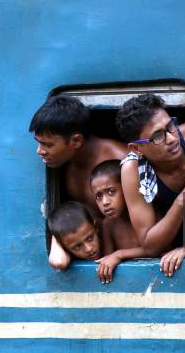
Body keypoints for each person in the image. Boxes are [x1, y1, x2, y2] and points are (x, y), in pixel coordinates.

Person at [116, 94, 185, 277]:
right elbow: (150, 244)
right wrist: (182, 201)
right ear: (137, 149)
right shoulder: (133, 170)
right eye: (157, 136)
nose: (172, 138)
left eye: (170, 126)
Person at [29, 95, 127, 270]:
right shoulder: (66, 169)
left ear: (76, 140)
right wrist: (57, 236)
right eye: (39, 143)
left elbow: (173, 203)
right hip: (103, 266)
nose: (40, 151)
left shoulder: (124, 162)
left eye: (48, 145)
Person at [89, 160, 147, 283]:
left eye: (111, 191)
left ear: (126, 188)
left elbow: (157, 248)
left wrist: (119, 255)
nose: (105, 202)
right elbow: (107, 261)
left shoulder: (149, 213)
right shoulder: (108, 225)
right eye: (98, 196)